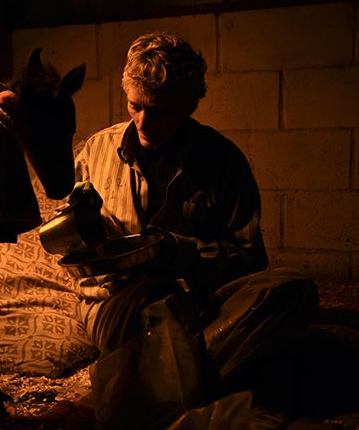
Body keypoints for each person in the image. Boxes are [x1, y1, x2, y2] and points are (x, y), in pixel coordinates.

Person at [50, 31, 319, 430]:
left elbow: (250, 258)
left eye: (160, 111)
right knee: (158, 301)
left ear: (190, 105)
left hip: (201, 301)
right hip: (119, 303)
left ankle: (134, 393)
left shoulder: (222, 161)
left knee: (292, 290)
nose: (144, 122)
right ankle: (166, 392)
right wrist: (82, 234)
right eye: (134, 106)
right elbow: (71, 256)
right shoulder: (95, 151)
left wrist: (179, 252)